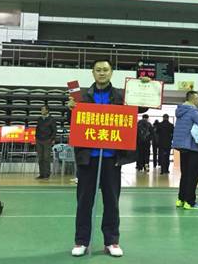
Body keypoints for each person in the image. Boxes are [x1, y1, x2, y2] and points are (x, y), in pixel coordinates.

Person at [69, 59, 148, 258]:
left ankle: (111, 241)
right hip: (88, 158)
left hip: (112, 159)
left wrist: (144, 87)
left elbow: (143, 107)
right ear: (93, 73)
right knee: (84, 202)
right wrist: (70, 108)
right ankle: (81, 241)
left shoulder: (122, 95)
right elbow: (73, 122)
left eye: (105, 70)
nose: (102, 73)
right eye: (98, 70)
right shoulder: (82, 97)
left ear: (111, 72)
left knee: (112, 202)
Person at [172, 91, 198, 210]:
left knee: (185, 174)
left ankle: (181, 199)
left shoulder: (180, 111)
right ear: (192, 99)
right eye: (197, 98)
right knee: (193, 175)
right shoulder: (193, 111)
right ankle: (190, 202)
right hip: (192, 146)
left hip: (182, 146)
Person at [35, 104, 57, 180]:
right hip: (39, 140)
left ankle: (47, 174)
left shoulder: (51, 119)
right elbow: (37, 129)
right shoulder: (39, 119)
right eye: (41, 109)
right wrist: (36, 137)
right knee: (40, 158)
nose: (42, 111)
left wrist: (51, 139)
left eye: (43, 109)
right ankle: (41, 174)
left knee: (46, 157)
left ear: (47, 110)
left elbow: (54, 130)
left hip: (47, 140)